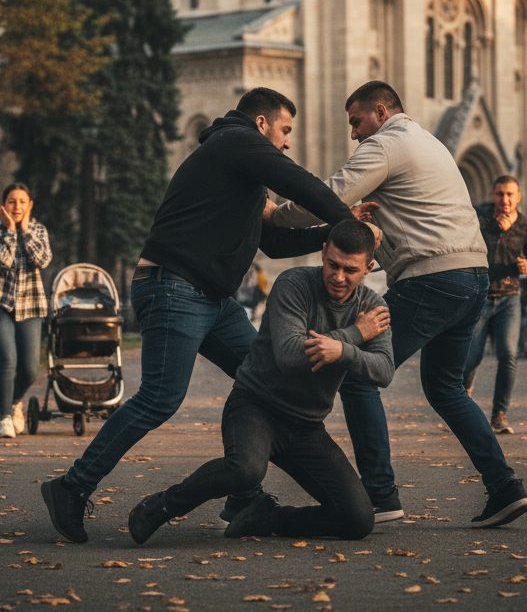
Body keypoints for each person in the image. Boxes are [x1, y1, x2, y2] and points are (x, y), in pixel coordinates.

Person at [40, 87, 360, 544]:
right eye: (286, 130)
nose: (288, 142)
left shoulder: (240, 175)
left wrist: (334, 236)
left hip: (208, 296)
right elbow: (298, 181)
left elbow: (271, 243)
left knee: (264, 378)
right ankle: (71, 487)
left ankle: (243, 495)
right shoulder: (235, 140)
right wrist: (348, 221)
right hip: (174, 286)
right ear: (262, 123)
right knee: (159, 398)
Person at [267, 81, 527, 528]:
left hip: (434, 279)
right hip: (473, 277)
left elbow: (330, 196)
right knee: (445, 388)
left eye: (356, 121)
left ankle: (381, 496)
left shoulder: (387, 144)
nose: (354, 133)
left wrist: (276, 215)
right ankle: (504, 487)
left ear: (381, 111)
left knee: (358, 373)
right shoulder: (428, 142)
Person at [126, 220, 393, 544]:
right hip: (256, 407)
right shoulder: (294, 284)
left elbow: (383, 371)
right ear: (323, 252)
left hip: (306, 426)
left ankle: (268, 516)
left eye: (350, 270)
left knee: (358, 519)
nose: (338, 276)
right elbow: (290, 356)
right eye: (332, 264)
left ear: (368, 268)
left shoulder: (373, 308)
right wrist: (354, 335)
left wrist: (343, 350)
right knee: (245, 470)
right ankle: (162, 505)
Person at [463, 176, 527, 434]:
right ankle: (462, 400)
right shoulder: (480, 218)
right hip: (480, 298)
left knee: (508, 355)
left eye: (510, 194)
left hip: (510, 298)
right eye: (500, 194)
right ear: (493, 194)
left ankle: (499, 414)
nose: (505, 200)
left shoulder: (525, 226)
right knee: (471, 358)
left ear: (518, 196)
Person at [0, 183, 52, 438]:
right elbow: (3, 262)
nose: (17, 206)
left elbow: (42, 260)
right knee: (8, 360)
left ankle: (13, 403)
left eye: (22, 201)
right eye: (12, 201)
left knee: (30, 369)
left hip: (31, 305)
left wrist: (24, 232)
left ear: (30, 205)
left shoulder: (39, 231)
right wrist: (11, 232)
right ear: (4, 205)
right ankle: (5, 420)